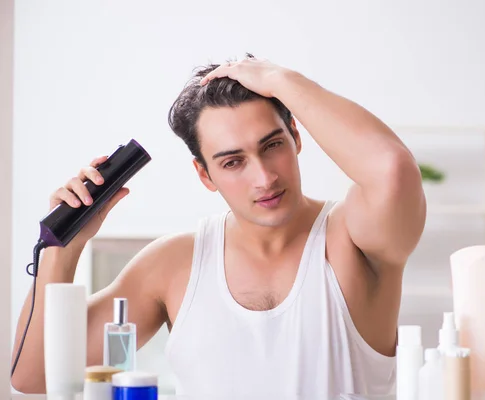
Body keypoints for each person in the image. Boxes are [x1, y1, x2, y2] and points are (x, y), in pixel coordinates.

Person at [11, 54, 426, 396]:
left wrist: (282, 81)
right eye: (233, 162)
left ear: (296, 138)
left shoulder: (352, 239)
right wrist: (62, 251)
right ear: (205, 175)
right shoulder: (174, 264)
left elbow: (392, 170)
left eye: (273, 145)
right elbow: (34, 377)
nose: (264, 178)